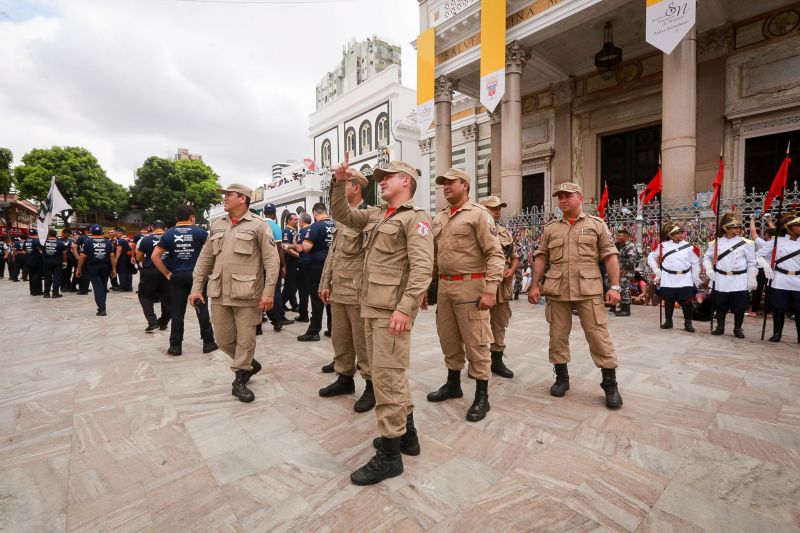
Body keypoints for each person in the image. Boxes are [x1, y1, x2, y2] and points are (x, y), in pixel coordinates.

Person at [331, 158, 433, 486]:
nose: (381, 181)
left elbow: (421, 268)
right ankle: (408, 437)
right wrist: (337, 183)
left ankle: (390, 457)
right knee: (388, 376)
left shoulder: (415, 220)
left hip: (391, 314)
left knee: (387, 381)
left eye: (387, 177)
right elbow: (342, 214)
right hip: (370, 308)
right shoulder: (376, 214)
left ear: (405, 180)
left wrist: (405, 309)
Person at [528, 182, 623, 409]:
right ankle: (562, 377)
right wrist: (534, 284)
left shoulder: (596, 225)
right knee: (557, 335)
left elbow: (610, 256)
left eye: (567, 196)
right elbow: (541, 257)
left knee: (598, 335)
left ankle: (610, 384)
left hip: (588, 290)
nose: (563, 200)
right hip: (557, 289)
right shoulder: (551, 229)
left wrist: (615, 287)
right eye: (560, 196)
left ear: (580, 198)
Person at [426, 168, 504, 423]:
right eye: (443, 183)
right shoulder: (440, 218)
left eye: (451, 182)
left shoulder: (479, 215)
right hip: (446, 287)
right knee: (448, 338)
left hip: (471, 285)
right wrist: (429, 287)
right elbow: (436, 257)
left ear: (465, 185)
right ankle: (453, 384)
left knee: (477, 341)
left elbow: (495, 254)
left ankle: (482, 396)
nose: (446, 187)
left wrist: (491, 289)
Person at [189, 183, 279, 403]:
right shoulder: (217, 225)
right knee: (222, 339)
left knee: (246, 339)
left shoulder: (258, 225)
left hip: (248, 294)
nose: (225, 198)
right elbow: (205, 259)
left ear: (243, 199)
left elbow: (271, 260)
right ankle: (249, 363)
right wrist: (196, 288)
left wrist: (269, 292)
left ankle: (240, 377)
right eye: (225, 195)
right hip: (219, 292)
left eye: (229, 195)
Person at [318, 169, 374, 412]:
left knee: (363, 343)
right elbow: (334, 254)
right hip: (339, 289)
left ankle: (371, 385)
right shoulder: (342, 219)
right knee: (340, 339)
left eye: (343, 184)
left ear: (356, 187)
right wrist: (325, 282)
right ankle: (344, 379)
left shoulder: (367, 216)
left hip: (358, 290)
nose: (338, 188)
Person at [151, 204, 217, 356]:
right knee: (201, 309)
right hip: (197, 276)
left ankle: (175, 346)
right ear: (192, 217)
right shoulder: (201, 233)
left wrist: (167, 273)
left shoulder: (168, 234)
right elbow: (213, 253)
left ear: (176, 218)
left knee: (177, 312)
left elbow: (155, 256)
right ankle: (208, 342)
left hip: (177, 277)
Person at [479, 195, 520, 379]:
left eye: (499, 209)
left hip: (502, 285)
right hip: (480, 283)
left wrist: (511, 270)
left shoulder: (504, 232)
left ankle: (496, 359)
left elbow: (514, 256)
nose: (497, 213)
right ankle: (479, 361)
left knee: (500, 322)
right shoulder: (476, 229)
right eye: (493, 209)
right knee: (477, 324)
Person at [703, 213, 757, 338]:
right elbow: (706, 257)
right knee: (720, 305)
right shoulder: (715, 243)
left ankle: (737, 328)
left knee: (739, 306)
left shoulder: (746, 243)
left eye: (738, 227)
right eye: (733, 227)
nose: (737, 229)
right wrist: (709, 270)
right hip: (721, 278)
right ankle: (720, 327)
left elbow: (752, 262)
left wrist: (751, 278)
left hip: (739, 279)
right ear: (725, 228)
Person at [647, 221, 701, 332]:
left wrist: (695, 276)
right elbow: (651, 257)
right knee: (668, 300)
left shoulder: (689, 247)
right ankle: (668, 321)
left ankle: (688, 323)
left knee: (686, 301)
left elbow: (695, 262)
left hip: (685, 277)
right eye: (677, 233)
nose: (680, 235)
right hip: (668, 277)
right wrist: (656, 270)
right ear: (670, 235)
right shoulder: (662, 246)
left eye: (681, 232)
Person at [757, 211, 800, 343]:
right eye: (797, 225)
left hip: (798, 280)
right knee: (778, 308)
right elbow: (757, 255)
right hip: (780, 278)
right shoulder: (776, 241)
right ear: (787, 227)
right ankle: (777, 334)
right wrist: (766, 266)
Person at [297, 203, 335, 342]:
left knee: (317, 297)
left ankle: (314, 331)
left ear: (314, 213)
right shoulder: (335, 224)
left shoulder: (315, 226)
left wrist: (297, 245)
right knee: (331, 298)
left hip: (318, 266)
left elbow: (306, 247)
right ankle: (332, 329)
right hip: (334, 265)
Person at [136, 221, 172, 332]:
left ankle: (152, 321)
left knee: (144, 296)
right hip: (167, 271)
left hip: (150, 272)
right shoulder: (171, 237)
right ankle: (164, 322)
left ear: (152, 228)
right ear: (165, 228)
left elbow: (138, 257)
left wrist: (147, 263)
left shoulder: (144, 239)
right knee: (168, 299)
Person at [263, 203, 293, 331]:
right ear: (275, 215)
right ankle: (278, 319)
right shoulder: (275, 227)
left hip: (258, 265)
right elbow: (279, 248)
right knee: (275, 292)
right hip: (272, 265)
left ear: (264, 213)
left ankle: (258, 325)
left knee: (259, 291)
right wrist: (283, 265)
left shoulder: (259, 224)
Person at [76, 224, 115, 316]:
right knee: (103, 286)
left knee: (97, 287)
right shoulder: (108, 242)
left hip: (93, 267)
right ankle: (103, 306)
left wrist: (79, 268)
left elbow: (82, 256)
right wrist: (114, 269)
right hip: (106, 267)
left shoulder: (87, 242)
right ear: (102, 232)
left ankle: (101, 309)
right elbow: (112, 256)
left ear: (91, 232)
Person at [748, 215, 775, 316]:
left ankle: (754, 311)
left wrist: (752, 220)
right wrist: (769, 221)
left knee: (757, 290)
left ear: (767, 235)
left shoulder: (763, 244)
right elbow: (774, 231)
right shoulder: (778, 244)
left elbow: (753, 232)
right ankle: (768, 312)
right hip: (772, 269)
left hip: (761, 269)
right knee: (770, 290)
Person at [613, 229, 640, 317]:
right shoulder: (620, 245)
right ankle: (622, 307)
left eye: (619, 236)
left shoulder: (630, 246)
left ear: (626, 236)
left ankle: (626, 310)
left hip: (625, 273)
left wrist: (624, 270)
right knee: (622, 289)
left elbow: (631, 260)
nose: (617, 237)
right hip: (620, 272)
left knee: (625, 290)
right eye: (617, 236)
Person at [295, 212, 313, 323]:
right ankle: (314, 315)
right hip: (312, 263)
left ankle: (303, 314)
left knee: (303, 291)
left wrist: (292, 243)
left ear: (302, 222)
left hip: (303, 264)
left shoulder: (302, 232)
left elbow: (299, 248)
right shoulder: (312, 230)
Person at [281, 213, 300, 313]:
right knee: (291, 284)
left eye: (297, 219)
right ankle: (295, 305)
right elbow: (285, 247)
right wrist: (298, 255)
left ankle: (282, 302)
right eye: (295, 219)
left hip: (295, 261)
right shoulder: (286, 231)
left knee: (290, 284)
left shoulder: (295, 231)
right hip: (290, 261)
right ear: (289, 221)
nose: (297, 221)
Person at [41, 229, 68, 298]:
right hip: (57, 263)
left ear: (49, 234)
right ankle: (55, 293)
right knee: (57, 278)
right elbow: (64, 253)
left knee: (47, 278)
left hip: (46, 263)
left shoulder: (43, 243)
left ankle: (46, 293)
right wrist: (64, 262)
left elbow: (42, 252)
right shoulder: (60, 243)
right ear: (55, 235)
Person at [23, 229, 43, 295]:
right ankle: (38, 291)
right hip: (37, 261)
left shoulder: (26, 241)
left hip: (28, 261)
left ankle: (32, 291)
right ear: (36, 233)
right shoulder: (38, 241)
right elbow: (41, 251)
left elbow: (24, 251)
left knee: (31, 276)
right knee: (37, 276)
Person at [115, 227, 134, 292]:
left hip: (122, 258)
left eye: (117, 232)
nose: (116, 234)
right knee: (129, 272)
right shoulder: (129, 240)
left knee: (122, 272)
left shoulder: (120, 240)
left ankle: (122, 287)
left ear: (120, 232)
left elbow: (119, 250)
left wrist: (116, 259)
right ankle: (129, 287)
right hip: (129, 258)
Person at [73, 230, 91, 295]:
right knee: (88, 274)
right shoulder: (99, 238)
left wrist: (77, 256)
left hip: (83, 257)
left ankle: (82, 289)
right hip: (94, 259)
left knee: (80, 272)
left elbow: (73, 246)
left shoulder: (83, 237)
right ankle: (85, 288)